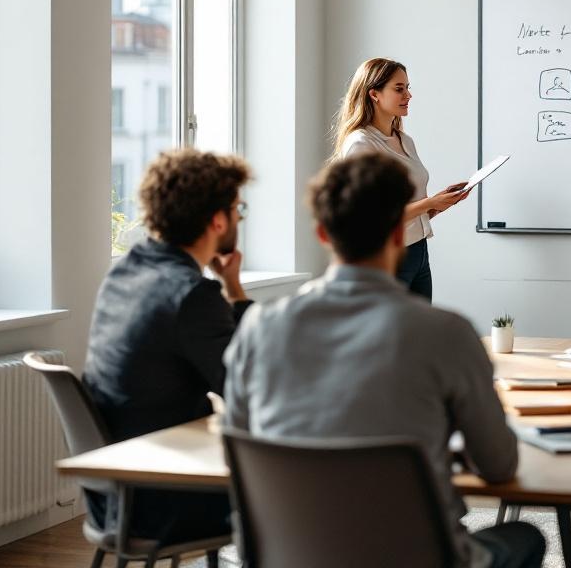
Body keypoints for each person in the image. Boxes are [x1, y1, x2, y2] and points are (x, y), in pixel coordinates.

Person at [224, 152, 545, 568]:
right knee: (525, 537)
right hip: (420, 557)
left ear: (322, 233)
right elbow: (500, 466)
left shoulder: (258, 328)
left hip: (289, 557)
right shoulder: (446, 333)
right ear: (400, 231)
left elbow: (239, 448)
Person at [83, 148, 252, 544]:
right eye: (237, 207)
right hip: (165, 499)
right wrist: (236, 295)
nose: (240, 216)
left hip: (114, 494)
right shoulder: (191, 294)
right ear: (217, 219)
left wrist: (232, 286)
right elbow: (248, 389)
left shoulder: (125, 272)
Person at [332, 57, 469, 300]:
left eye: (407, 87)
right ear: (374, 94)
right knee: (391, 334)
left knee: (418, 334)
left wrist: (438, 203)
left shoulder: (404, 140)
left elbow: (408, 210)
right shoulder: (361, 144)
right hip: (386, 258)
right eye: (399, 89)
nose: (408, 95)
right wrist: (428, 204)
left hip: (418, 252)